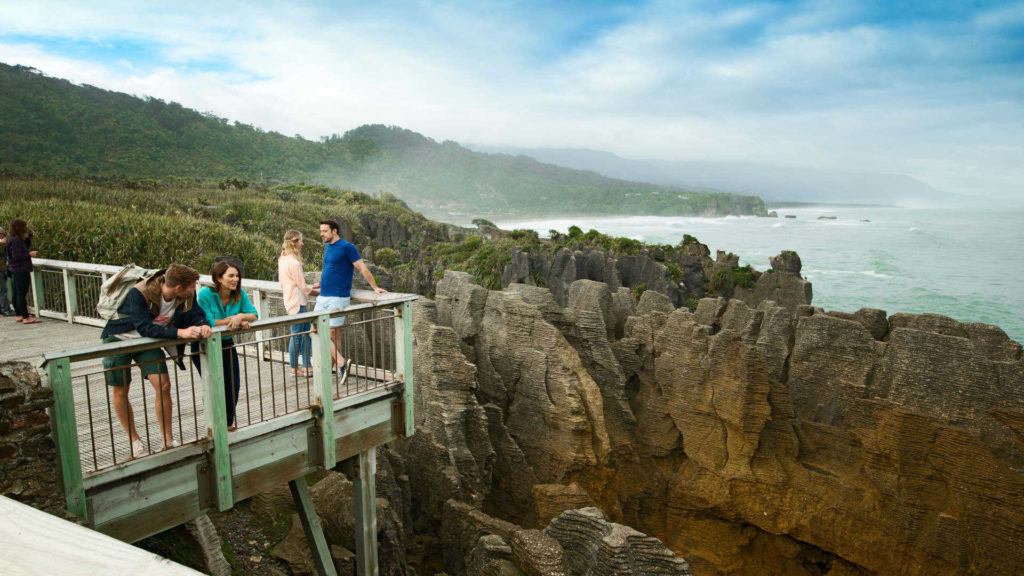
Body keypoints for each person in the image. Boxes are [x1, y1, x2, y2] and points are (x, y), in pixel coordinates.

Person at [100, 263, 212, 457]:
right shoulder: (140, 292)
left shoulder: (186, 296)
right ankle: (134, 440)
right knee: (121, 388)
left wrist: (203, 326)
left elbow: (196, 315)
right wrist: (180, 333)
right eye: (192, 286)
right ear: (179, 288)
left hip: (147, 342)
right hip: (119, 338)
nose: (194, 290)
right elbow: (144, 326)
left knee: (163, 385)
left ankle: (167, 440)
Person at [314, 219, 386, 380]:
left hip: (338, 297)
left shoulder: (347, 247)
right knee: (315, 331)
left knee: (332, 335)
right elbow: (330, 268)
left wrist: (374, 287)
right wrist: (321, 283)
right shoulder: (327, 246)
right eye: (321, 231)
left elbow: (361, 267)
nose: (322, 234)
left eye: (325, 231)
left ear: (335, 231)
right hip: (323, 294)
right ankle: (340, 364)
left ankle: (330, 373)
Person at [196, 259, 258, 430]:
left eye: (237, 276)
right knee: (214, 384)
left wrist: (241, 317)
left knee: (233, 384)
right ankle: (214, 422)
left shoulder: (239, 294)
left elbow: (253, 314)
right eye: (231, 276)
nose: (235, 279)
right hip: (204, 345)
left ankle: (227, 424)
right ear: (219, 278)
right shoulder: (205, 294)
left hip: (225, 342)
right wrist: (234, 320)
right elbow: (209, 321)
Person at [278, 230, 320, 376]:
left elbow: (287, 283)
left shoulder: (283, 260)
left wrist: (309, 286)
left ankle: (306, 366)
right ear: (293, 243)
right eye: (300, 241)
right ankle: (295, 368)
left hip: (290, 300)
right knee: (298, 336)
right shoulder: (294, 263)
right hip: (298, 303)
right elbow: (303, 288)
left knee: (304, 334)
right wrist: (320, 291)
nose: (302, 244)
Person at [5, 219, 40, 324]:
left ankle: (19, 315)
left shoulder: (11, 239)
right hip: (21, 269)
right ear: (19, 228)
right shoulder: (15, 240)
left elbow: (22, 248)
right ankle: (26, 317)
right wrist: (30, 254)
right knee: (21, 294)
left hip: (15, 269)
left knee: (16, 293)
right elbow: (17, 256)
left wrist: (28, 238)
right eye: (24, 226)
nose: (26, 228)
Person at [0, 226, 14, 316]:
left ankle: (3, 309)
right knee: (2, 290)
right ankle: (5, 309)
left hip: (2, 268)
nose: (1, 236)